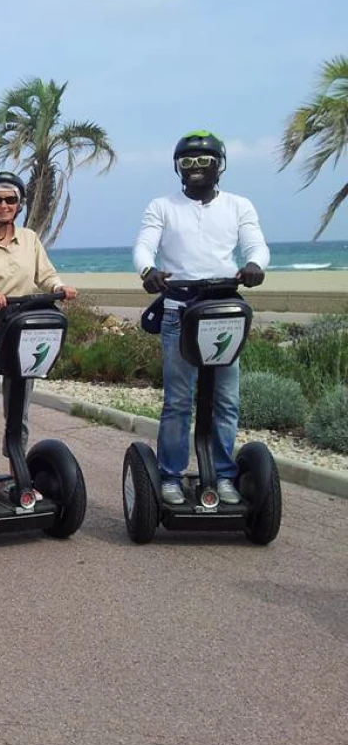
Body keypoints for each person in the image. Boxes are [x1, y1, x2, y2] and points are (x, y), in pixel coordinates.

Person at [133, 130, 269, 506]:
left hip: (223, 313)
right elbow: (145, 244)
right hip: (179, 312)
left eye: (203, 161)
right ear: (178, 167)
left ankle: (224, 474)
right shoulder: (162, 206)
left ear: (218, 165)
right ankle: (170, 476)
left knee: (226, 400)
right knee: (178, 401)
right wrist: (148, 270)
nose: (195, 168)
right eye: (187, 162)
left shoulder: (239, 205)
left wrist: (256, 264)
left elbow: (255, 242)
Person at [0, 171, 78, 505]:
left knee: (18, 411)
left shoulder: (30, 239)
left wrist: (59, 288)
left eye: (10, 199)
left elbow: (46, 274)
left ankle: (17, 475)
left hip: (21, 332)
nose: (4, 205)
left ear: (19, 204)